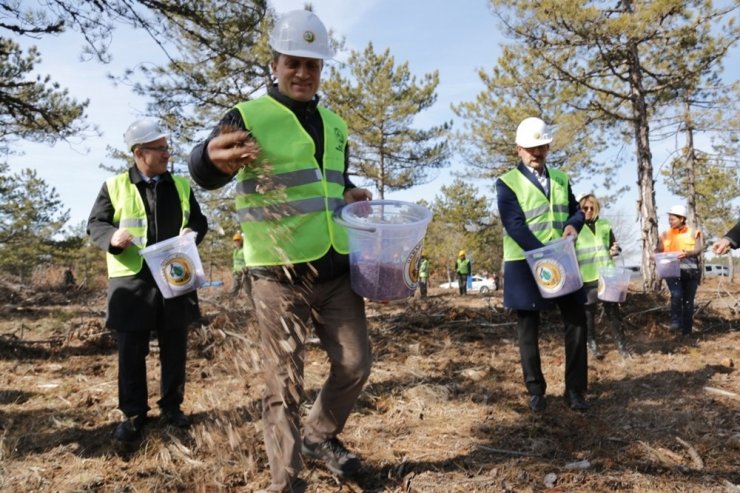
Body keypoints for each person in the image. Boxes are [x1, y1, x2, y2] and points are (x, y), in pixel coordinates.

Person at [188, 10, 373, 492]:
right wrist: (205, 159)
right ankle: (285, 482)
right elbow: (207, 165)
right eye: (294, 62)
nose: (303, 73)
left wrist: (349, 193)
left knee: (355, 363)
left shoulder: (335, 124)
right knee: (284, 384)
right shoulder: (248, 116)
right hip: (278, 274)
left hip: (335, 269)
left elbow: (329, 181)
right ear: (274, 64)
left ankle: (319, 435)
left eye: (313, 65)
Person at [87, 118, 208, 443]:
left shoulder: (180, 185)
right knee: (131, 349)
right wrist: (113, 236)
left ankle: (172, 407)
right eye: (161, 148)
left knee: (175, 345)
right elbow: (95, 223)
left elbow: (198, 220)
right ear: (140, 153)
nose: (168, 154)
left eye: (167, 147)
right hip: (132, 283)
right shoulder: (114, 186)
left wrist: (192, 233)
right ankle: (134, 413)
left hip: (174, 275)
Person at [496, 116, 590, 413]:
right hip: (525, 262)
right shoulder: (507, 183)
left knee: (576, 321)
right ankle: (536, 390)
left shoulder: (561, 178)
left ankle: (575, 391)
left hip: (561, 258)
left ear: (548, 146)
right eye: (530, 148)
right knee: (528, 328)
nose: (537, 153)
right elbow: (515, 225)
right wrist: (542, 254)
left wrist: (574, 226)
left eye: (542, 147)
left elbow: (577, 211)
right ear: (518, 150)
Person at [575, 193, 630, 359]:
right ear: (579, 208)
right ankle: (592, 346)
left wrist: (615, 250)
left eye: (592, 207)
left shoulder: (605, 224)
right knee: (588, 314)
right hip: (586, 277)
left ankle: (622, 348)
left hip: (607, 274)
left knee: (613, 312)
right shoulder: (574, 227)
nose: (589, 210)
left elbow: (614, 246)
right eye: (585, 208)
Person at [656, 205, 703, 337]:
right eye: (669, 219)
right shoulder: (665, 234)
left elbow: (698, 250)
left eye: (672, 219)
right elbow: (658, 250)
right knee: (676, 294)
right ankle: (676, 322)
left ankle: (686, 332)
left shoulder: (694, 232)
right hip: (672, 272)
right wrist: (653, 255)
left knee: (688, 303)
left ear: (682, 219)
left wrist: (687, 253)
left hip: (691, 273)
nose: (670, 221)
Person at [229, 232, 251, 297]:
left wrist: (246, 268)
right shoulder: (235, 251)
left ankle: (253, 305)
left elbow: (248, 260)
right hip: (236, 273)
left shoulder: (245, 249)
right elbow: (234, 262)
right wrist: (233, 270)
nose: (236, 242)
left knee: (248, 291)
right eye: (235, 241)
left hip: (244, 273)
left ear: (241, 241)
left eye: (238, 240)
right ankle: (231, 304)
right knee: (233, 290)